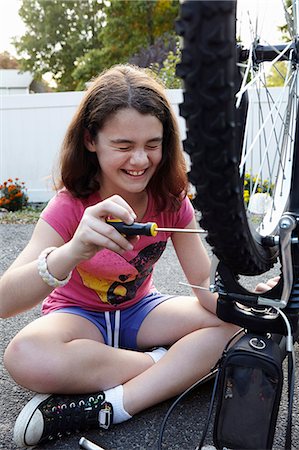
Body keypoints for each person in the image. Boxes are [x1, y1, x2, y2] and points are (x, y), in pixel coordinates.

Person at [0, 64, 238, 448]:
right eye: (124, 146)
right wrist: (73, 250)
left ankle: (112, 405)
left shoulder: (172, 201)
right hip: (77, 318)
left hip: (142, 313)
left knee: (237, 326)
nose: (140, 161)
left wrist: (247, 300)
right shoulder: (68, 205)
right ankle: (170, 367)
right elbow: (4, 301)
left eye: (152, 145)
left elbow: (204, 288)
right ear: (91, 140)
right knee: (25, 355)